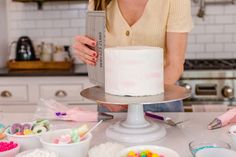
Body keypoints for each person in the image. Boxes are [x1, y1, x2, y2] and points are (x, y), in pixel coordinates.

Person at [74, 0, 193, 112]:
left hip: (161, 103)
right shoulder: (97, 1)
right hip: (111, 103)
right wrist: (86, 52)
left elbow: (175, 65)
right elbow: (97, 61)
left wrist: (133, 102)